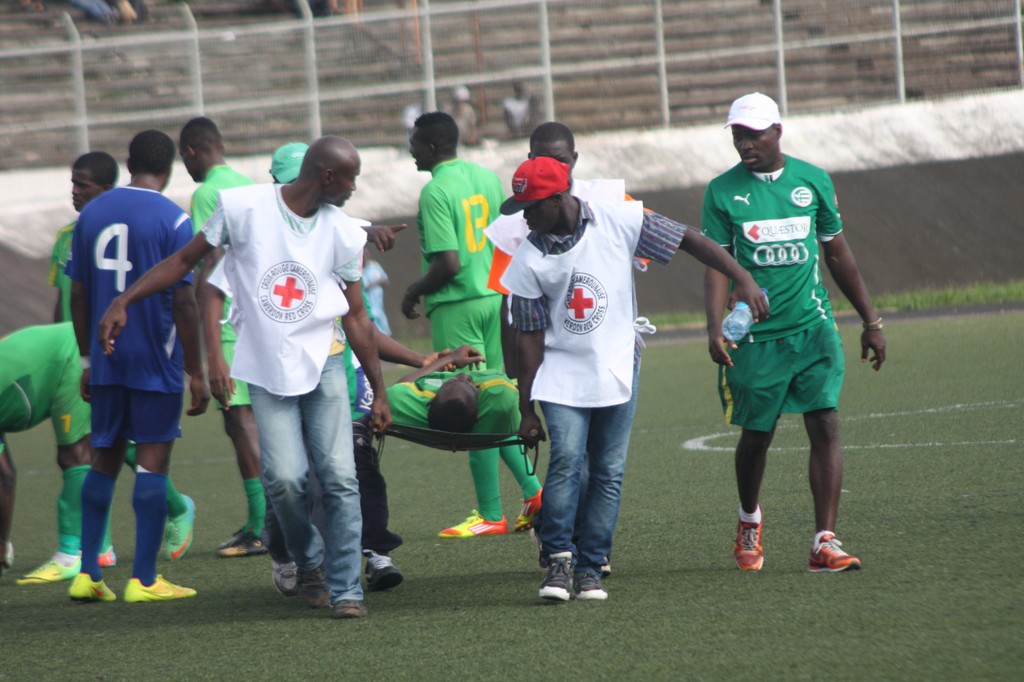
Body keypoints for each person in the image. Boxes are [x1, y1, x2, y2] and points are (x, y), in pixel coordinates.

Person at [98, 135, 392, 620]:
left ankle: (346, 591)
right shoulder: (243, 208)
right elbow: (184, 263)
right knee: (285, 481)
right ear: (326, 177)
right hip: (266, 366)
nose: (354, 188)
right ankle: (309, 561)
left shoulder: (342, 231)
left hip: (326, 362)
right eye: (350, 178)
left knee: (340, 478)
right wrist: (124, 300)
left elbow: (357, 316)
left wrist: (380, 390)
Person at [501, 156, 766, 602]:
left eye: (531, 207)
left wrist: (741, 275)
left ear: (559, 198)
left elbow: (688, 239)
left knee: (608, 470)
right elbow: (527, 338)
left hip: (617, 361)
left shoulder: (619, 218)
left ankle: (591, 568)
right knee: (566, 460)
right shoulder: (528, 258)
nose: (524, 217)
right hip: (561, 370)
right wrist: (526, 408)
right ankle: (559, 562)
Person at [701, 92, 886, 574]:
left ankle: (824, 540)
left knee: (825, 423)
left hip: (812, 327)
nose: (745, 143)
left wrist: (870, 321)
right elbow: (716, 265)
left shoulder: (813, 180)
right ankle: (749, 518)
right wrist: (714, 327)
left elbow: (837, 253)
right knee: (757, 436)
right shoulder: (721, 192)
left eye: (754, 134)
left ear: (778, 131)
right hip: (756, 338)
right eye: (738, 135)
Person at [66, 129, 208, 603]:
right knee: (152, 462)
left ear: (128, 164)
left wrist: (87, 359)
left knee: (104, 457)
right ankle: (144, 580)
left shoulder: (91, 214)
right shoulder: (175, 220)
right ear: (169, 168)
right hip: (155, 358)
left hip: (106, 356)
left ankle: (88, 574)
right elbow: (184, 302)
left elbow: (78, 294)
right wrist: (196, 370)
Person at [404, 111, 542, 539]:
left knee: (472, 407)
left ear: (430, 147)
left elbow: (448, 263)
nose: (410, 150)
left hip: (458, 305)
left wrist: (412, 291)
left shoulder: (435, 190)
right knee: (497, 402)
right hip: (496, 299)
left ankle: (490, 513)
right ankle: (535, 493)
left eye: (414, 143)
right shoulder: (487, 178)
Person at [179, 116, 267, 559]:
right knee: (249, 420)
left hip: (229, 320)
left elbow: (209, 262)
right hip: (258, 314)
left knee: (240, 417)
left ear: (191, 152)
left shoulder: (206, 193)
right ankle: (261, 519)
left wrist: (205, 339)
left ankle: (264, 525)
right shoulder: (250, 184)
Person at [50, 152, 118, 324]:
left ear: (106, 190)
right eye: (73, 183)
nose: (74, 191)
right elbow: (63, 298)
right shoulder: (65, 235)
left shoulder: (120, 238)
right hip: (69, 338)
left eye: (82, 186)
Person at [361, 248, 392, 336]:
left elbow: (386, 281)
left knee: (383, 327)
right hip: (367, 306)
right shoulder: (357, 271)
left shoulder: (375, 266)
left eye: (365, 255)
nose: (364, 257)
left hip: (378, 304)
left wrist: (375, 283)